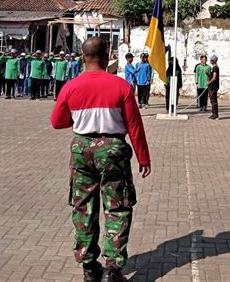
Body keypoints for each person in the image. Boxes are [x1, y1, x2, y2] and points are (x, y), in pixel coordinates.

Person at [50, 37, 151, 282]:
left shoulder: (71, 86)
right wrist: (143, 157)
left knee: (84, 207)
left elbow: (57, 122)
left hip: (81, 150)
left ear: (83, 59)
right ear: (107, 58)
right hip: (113, 150)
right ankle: (112, 270)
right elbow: (134, 126)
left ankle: (88, 267)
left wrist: (82, 119)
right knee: (117, 207)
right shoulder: (121, 86)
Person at [207, 55, 220, 120]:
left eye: (211, 60)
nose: (210, 61)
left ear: (214, 61)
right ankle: (214, 114)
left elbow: (214, 78)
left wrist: (208, 83)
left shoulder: (215, 68)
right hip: (212, 86)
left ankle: (215, 114)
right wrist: (207, 74)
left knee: (213, 101)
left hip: (213, 87)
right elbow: (212, 76)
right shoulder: (214, 68)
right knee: (212, 100)